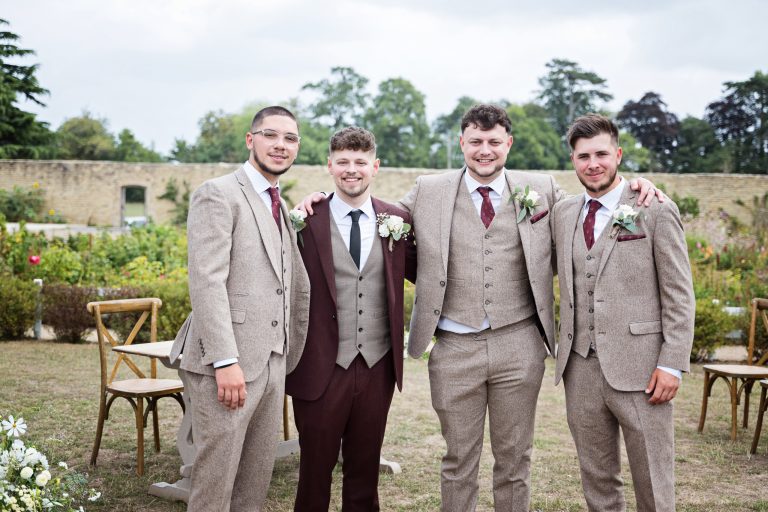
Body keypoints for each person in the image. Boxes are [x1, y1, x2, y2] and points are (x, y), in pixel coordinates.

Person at [300, 104, 659, 511]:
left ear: (509, 143)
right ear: (461, 143)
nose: (484, 150)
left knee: (515, 460)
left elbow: (587, 211)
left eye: (493, 142)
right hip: (454, 348)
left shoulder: (540, 188)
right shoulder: (428, 190)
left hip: (519, 344)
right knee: (457, 460)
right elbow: (374, 214)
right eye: (475, 142)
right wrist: (323, 201)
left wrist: (633, 188)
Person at [169, 106, 310, 512]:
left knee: (254, 482)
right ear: (251, 140)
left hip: (272, 361)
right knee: (215, 484)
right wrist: (225, 360)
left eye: (290, 138)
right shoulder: (218, 193)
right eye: (271, 135)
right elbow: (207, 281)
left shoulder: (278, 202)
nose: (280, 145)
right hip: (227, 366)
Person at [552, 114, 694, 512]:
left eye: (601, 154)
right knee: (596, 477)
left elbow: (679, 293)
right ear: (573, 160)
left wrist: (672, 363)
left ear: (618, 154)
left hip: (642, 368)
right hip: (580, 367)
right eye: (583, 156)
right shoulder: (563, 214)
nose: (593, 164)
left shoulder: (655, 208)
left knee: (653, 477)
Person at [286, 126, 415, 511]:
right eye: (342, 161)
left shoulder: (397, 219)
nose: (351, 169)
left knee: (364, 470)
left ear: (375, 166)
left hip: (377, 365)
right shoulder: (304, 220)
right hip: (319, 366)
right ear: (329, 166)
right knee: (314, 471)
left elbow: (426, 270)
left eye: (360, 161)